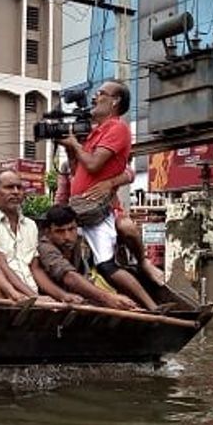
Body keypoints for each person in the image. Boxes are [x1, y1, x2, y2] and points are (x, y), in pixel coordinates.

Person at [58, 80, 158, 311]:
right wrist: (71, 148)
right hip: (80, 209)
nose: (95, 97)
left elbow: (95, 165)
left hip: (97, 211)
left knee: (106, 265)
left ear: (115, 101)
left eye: (101, 93)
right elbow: (78, 171)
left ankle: (152, 307)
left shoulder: (117, 128)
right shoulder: (95, 132)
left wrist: (75, 144)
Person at [36, 205, 138, 310]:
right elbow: (69, 277)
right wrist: (107, 298)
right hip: (49, 305)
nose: (67, 237)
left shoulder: (80, 243)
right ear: (48, 232)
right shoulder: (45, 247)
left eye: (71, 229)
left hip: (75, 301)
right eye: (59, 231)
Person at [0, 168, 52, 300]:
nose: (16, 192)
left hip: (31, 294)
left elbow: (35, 269)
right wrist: (34, 298)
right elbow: (1, 266)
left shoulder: (31, 225)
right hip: (7, 295)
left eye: (19, 187)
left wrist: (61, 296)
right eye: (9, 187)